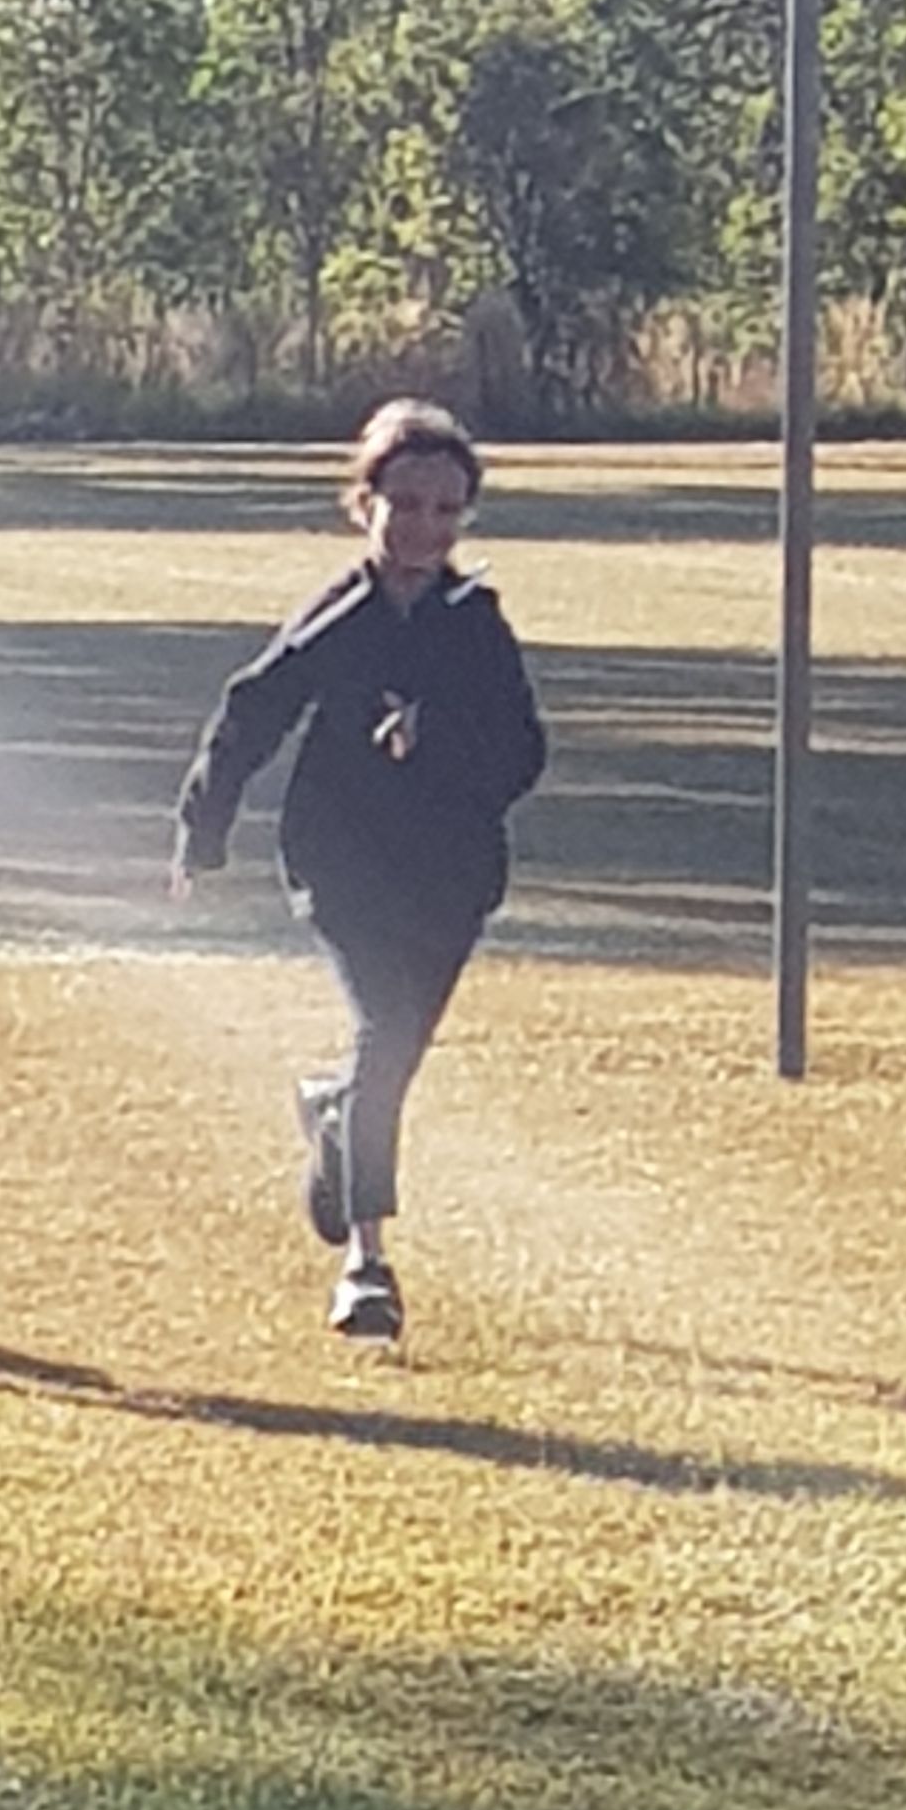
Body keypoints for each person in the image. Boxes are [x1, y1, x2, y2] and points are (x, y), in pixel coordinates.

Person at [171, 398, 546, 1342]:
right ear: (364, 505)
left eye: (446, 509)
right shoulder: (336, 619)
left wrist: (440, 738)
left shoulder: (476, 623)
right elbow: (249, 712)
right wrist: (201, 831)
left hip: (451, 874)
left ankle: (337, 1118)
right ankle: (367, 1267)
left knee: (394, 1056)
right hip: (342, 866)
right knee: (384, 1030)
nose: (424, 526)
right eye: (406, 503)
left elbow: (522, 754)